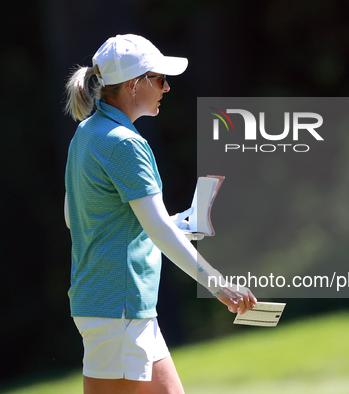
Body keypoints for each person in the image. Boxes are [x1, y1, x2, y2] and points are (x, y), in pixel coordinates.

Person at [63, 34, 257, 394]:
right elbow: (157, 232)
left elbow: (78, 218)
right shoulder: (126, 143)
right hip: (119, 309)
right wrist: (219, 284)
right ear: (135, 85)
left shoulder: (86, 134)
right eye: (160, 79)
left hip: (115, 308)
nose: (167, 88)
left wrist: (176, 225)